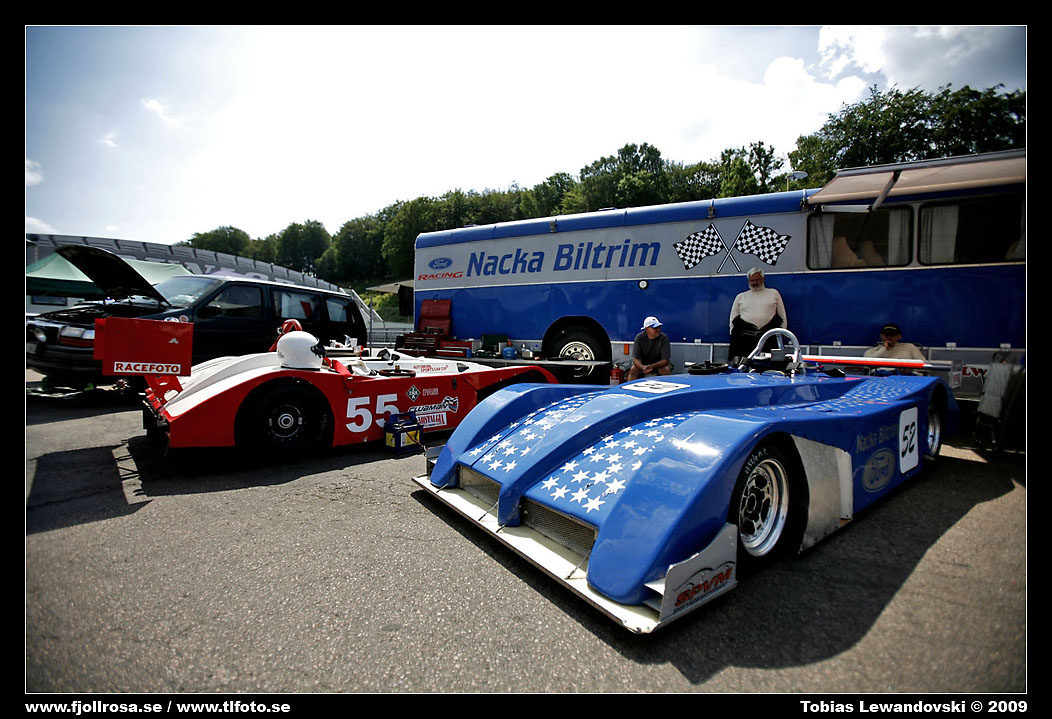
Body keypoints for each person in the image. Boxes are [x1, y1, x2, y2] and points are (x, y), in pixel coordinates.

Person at [728, 268, 788, 361]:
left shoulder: (774, 293)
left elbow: (782, 315)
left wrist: (782, 334)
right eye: (752, 280)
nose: (755, 283)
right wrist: (734, 338)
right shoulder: (740, 297)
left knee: (770, 365)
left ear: (763, 279)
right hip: (746, 340)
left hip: (768, 338)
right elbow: (733, 319)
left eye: (757, 280)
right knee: (744, 365)